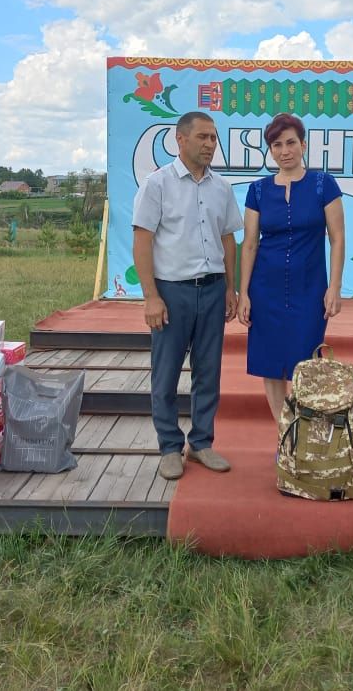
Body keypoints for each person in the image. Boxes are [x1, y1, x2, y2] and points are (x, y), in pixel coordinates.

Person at [132, 111, 243, 481]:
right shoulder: (157, 185)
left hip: (212, 291)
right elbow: (143, 241)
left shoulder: (222, 188)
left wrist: (230, 287)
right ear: (180, 140)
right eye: (202, 137)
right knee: (165, 375)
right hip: (171, 292)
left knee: (208, 372)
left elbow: (228, 238)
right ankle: (168, 446)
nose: (210, 144)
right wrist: (151, 297)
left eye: (214, 138)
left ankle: (201, 443)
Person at [238, 113, 345, 418]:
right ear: (269, 150)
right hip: (265, 290)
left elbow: (337, 239)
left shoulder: (324, 184)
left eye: (290, 143)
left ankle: (306, 432)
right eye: (276, 144)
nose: (284, 150)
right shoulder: (257, 190)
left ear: (303, 145)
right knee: (270, 364)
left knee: (305, 361)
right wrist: (243, 293)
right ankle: (284, 435)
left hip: (310, 288)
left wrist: (334, 287)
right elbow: (249, 244)